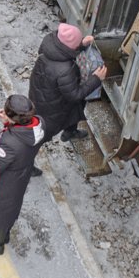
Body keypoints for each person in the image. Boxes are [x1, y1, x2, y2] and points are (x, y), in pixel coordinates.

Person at [28, 23, 106, 173]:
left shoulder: (50, 47)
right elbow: (75, 95)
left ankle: (70, 132)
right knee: (37, 139)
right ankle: (26, 166)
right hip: (50, 112)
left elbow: (67, 50)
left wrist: (82, 44)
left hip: (42, 97)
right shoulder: (65, 69)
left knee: (75, 109)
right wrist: (96, 79)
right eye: (77, 44)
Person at [0, 95, 44, 255]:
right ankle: (2, 233)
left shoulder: (11, 144)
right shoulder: (38, 123)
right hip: (22, 174)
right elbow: (21, 134)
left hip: (7, 182)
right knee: (8, 208)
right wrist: (8, 121)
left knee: (1, 211)